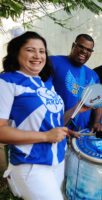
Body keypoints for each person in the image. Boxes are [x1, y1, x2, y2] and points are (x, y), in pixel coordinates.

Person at [0, 31, 78, 200]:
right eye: (30, 50)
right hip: (30, 164)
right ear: (16, 52)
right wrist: (45, 136)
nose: (37, 56)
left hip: (57, 161)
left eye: (42, 51)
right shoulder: (6, 81)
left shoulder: (46, 82)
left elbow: (45, 121)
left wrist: (62, 131)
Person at [50, 34, 102, 132]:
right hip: (57, 130)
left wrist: (97, 122)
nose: (84, 51)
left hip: (81, 134)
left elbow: (98, 103)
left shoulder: (93, 75)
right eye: (81, 46)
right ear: (73, 46)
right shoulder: (53, 62)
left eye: (88, 50)